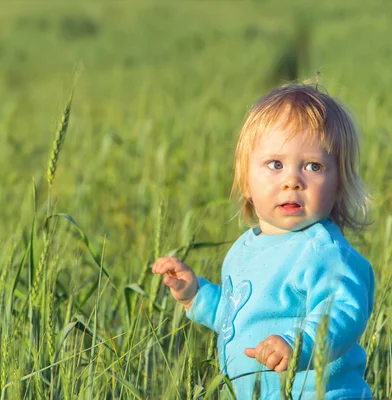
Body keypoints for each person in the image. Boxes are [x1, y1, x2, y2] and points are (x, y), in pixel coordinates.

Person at [152, 84, 374, 399]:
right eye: (275, 164)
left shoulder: (324, 252)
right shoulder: (244, 249)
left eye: (313, 166)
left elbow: (343, 312)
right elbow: (239, 314)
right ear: (246, 180)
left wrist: (300, 345)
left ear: (339, 184)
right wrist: (196, 296)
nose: (292, 180)